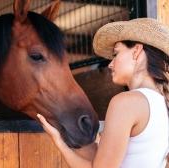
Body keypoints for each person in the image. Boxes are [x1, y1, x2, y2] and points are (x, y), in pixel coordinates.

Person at [37, 18, 169, 168]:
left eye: (116, 54)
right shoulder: (162, 103)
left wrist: (59, 142)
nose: (110, 64)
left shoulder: (126, 102)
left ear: (137, 51)